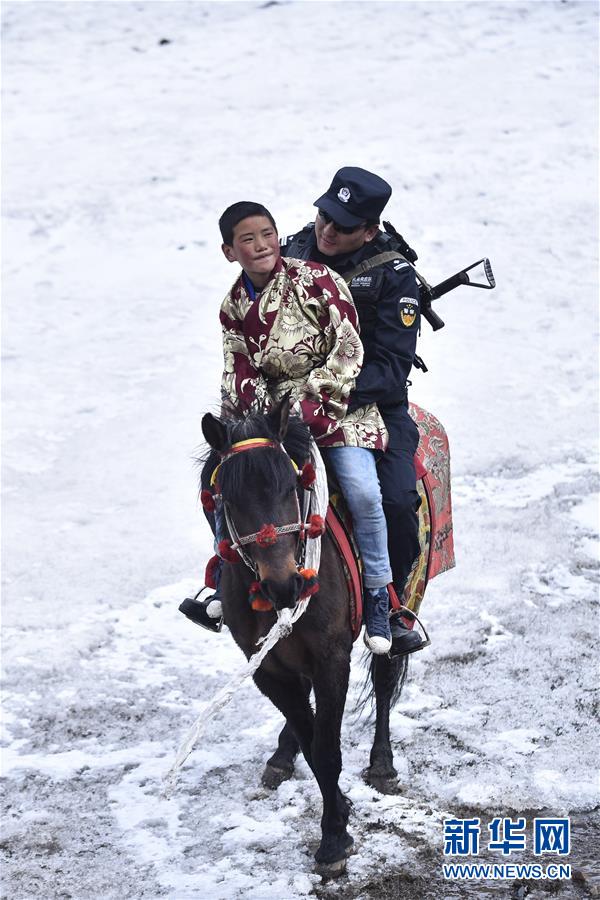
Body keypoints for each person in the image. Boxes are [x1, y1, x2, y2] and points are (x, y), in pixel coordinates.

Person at [180, 200, 398, 653]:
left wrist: (312, 408)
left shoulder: (317, 282)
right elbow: (238, 368)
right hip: (273, 420)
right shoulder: (234, 305)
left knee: (362, 490)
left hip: (336, 410)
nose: (260, 246)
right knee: (220, 480)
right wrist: (256, 420)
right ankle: (225, 577)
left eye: (267, 235)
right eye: (247, 239)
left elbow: (348, 350)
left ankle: (381, 596)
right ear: (229, 251)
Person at [281, 167, 425, 654]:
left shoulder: (395, 276)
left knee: (399, 502)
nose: (326, 231)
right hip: (287, 402)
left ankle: (394, 601)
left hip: (369, 407)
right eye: (324, 216)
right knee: (229, 473)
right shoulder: (292, 250)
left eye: (342, 226)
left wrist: (322, 394)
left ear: (370, 230)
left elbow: (389, 368)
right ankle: (220, 585)